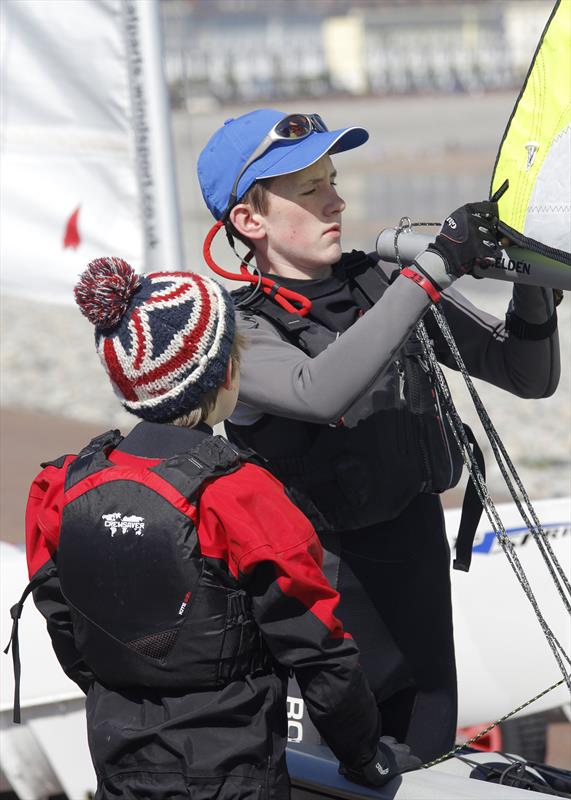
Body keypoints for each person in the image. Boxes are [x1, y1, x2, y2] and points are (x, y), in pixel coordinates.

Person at [197, 109, 561, 762]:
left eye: (333, 180)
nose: (336, 199)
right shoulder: (233, 331)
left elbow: (524, 375)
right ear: (249, 221)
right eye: (310, 190)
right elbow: (317, 389)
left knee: (422, 769)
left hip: (417, 602)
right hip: (320, 625)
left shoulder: (380, 284)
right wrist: (430, 271)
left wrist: (528, 281)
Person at [15, 258, 421, 799]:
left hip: (118, 762)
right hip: (234, 772)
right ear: (225, 374)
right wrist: (366, 756)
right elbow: (317, 648)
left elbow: (64, 625)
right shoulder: (237, 493)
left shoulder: (61, 488)